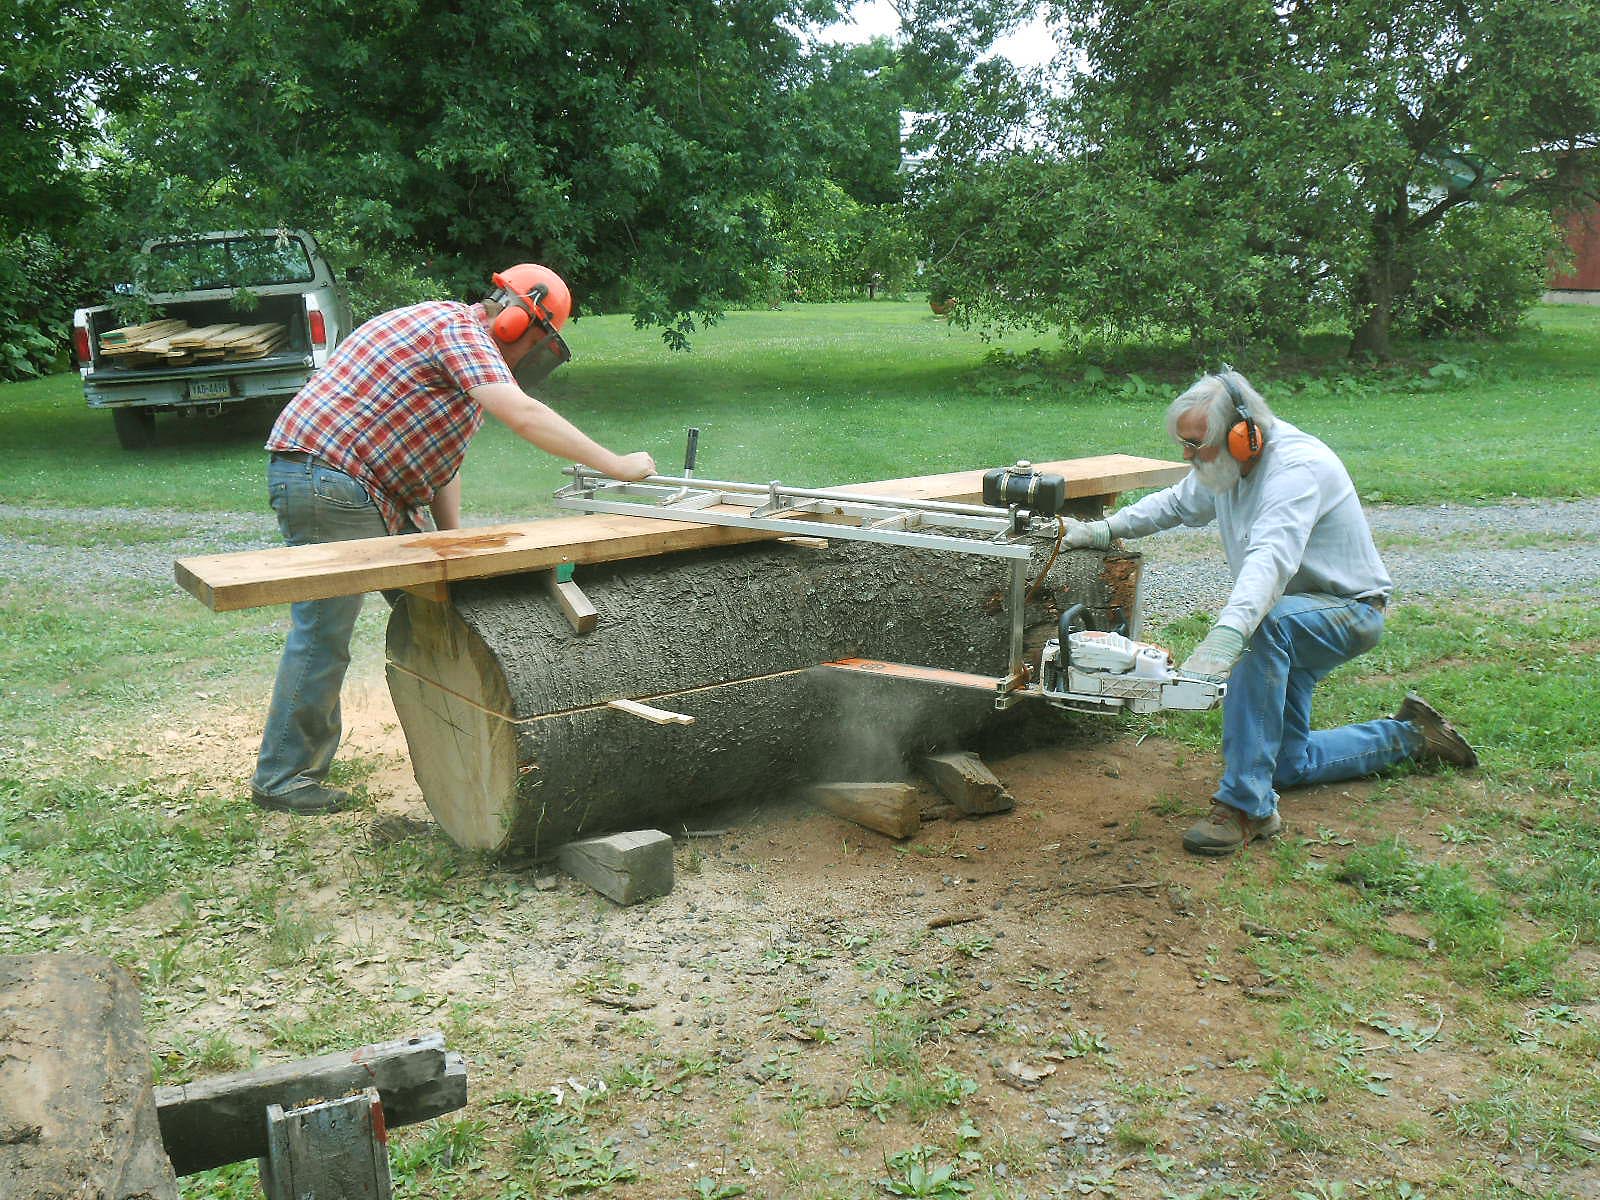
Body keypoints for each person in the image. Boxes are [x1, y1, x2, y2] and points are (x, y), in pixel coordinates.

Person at [251, 264, 656, 815]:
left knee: (441, 610)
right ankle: (284, 777)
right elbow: (524, 414)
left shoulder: (463, 353)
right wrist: (616, 464)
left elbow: (443, 463)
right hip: (331, 476)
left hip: (362, 486)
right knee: (324, 628)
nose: (534, 353)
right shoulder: (458, 330)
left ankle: (468, 744)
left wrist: (452, 545)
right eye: (540, 338)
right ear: (516, 319)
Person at [1062, 368, 1477, 856]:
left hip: (1347, 611)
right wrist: (1104, 530)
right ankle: (1410, 737)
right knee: (1285, 765)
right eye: (1184, 443)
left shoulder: (1297, 470)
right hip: (1292, 615)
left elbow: (1270, 561)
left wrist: (1227, 635)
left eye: (1197, 444)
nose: (1187, 456)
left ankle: (1245, 808)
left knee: (1264, 630)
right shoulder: (1226, 465)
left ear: (1245, 435)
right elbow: (1175, 505)